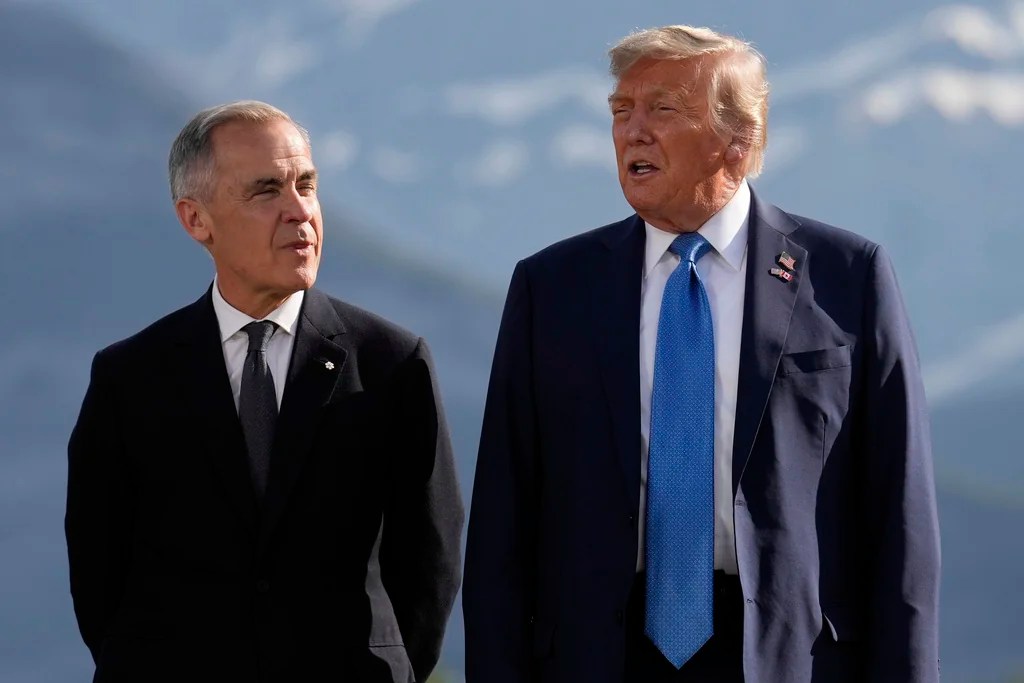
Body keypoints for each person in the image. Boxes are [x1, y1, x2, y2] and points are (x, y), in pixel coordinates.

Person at [463, 25, 939, 683]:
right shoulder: (552, 288)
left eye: (661, 109)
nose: (633, 131)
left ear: (737, 142)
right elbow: (501, 526)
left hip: (786, 655)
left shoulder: (847, 276)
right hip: (599, 652)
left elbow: (900, 512)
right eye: (621, 111)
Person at [65, 101, 463, 683]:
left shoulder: (392, 364)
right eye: (266, 191)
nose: (299, 211)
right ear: (196, 220)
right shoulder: (131, 377)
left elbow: (430, 561)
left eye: (307, 184)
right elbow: (99, 571)